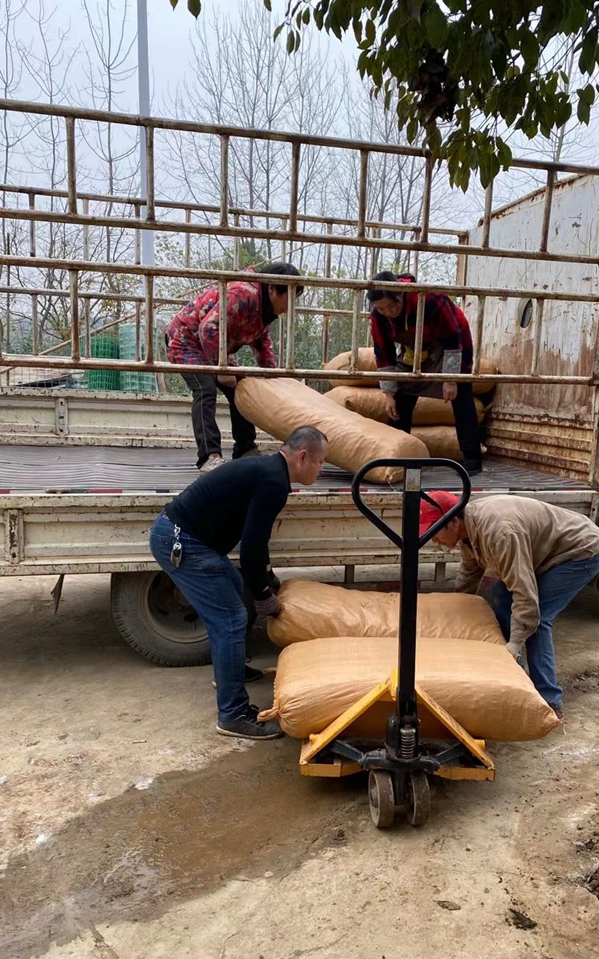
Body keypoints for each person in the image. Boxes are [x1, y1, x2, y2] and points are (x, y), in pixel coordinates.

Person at [149, 425, 328, 740]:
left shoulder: (270, 471)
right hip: (182, 542)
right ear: (303, 456)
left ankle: (229, 671)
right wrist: (263, 594)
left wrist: (265, 575)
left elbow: (256, 535)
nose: (321, 469)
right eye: (321, 462)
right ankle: (232, 715)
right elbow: (250, 550)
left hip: (183, 536)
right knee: (231, 619)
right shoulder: (274, 481)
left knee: (232, 588)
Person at [418, 491, 599, 716]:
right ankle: (515, 673)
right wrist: (458, 610)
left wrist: (515, 644)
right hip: (548, 552)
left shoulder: (500, 533)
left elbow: (525, 595)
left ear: (453, 522)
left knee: (538, 618)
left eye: (434, 531)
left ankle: (549, 701)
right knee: (501, 595)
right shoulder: (468, 530)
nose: (433, 540)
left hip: (580, 552)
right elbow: (470, 572)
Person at [165, 261, 305, 473]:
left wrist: (277, 380)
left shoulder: (264, 311)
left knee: (241, 387)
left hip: (216, 347)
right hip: (185, 341)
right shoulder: (244, 294)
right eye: (290, 297)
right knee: (205, 389)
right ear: (272, 289)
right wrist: (221, 368)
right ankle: (209, 456)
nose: (291, 306)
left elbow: (262, 345)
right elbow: (208, 328)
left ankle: (245, 448)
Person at [367, 270, 482, 475]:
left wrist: (450, 379)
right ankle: (398, 455)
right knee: (400, 396)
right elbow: (383, 352)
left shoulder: (429, 299)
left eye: (391, 306)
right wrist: (388, 393)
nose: (388, 312)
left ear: (400, 296)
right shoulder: (379, 316)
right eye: (381, 308)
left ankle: (472, 458)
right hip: (414, 350)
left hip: (451, 345)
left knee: (461, 394)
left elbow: (452, 338)